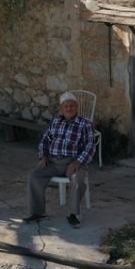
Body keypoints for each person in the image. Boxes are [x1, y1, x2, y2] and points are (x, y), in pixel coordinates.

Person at [24, 91, 97, 228]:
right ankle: (38, 213)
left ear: (77, 107)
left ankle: (73, 214)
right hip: (53, 162)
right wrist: (43, 156)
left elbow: (90, 146)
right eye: (65, 106)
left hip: (72, 163)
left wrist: (77, 162)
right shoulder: (55, 121)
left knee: (78, 179)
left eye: (71, 106)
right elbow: (45, 140)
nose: (69, 109)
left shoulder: (85, 124)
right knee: (34, 175)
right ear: (61, 109)